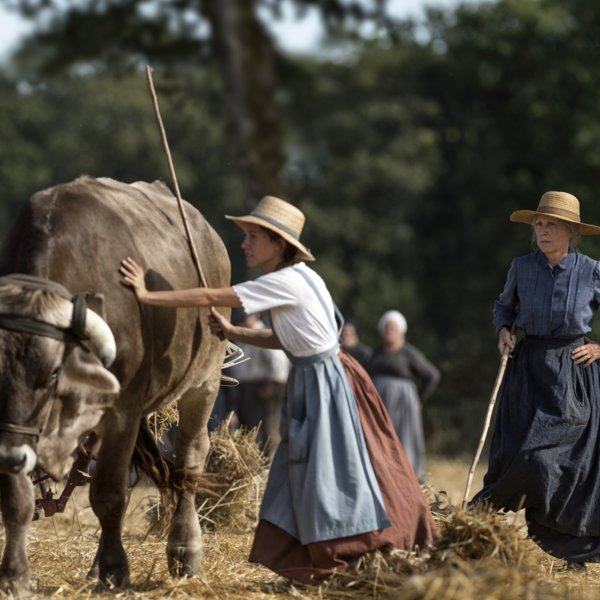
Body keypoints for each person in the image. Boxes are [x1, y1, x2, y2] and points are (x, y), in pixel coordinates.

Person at [120, 195, 435, 583]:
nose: (244, 244)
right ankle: (320, 559)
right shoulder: (304, 277)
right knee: (313, 470)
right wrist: (235, 332)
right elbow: (297, 337)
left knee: (328, 473)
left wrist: (146, 295)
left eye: (253, 236)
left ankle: (344, 557)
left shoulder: (284, 281)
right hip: (325, 374)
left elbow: (208, 296)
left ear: (278, 243)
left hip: (324, 384)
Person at [471, 191, 600, 572]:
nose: (543, 231)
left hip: (572, 373)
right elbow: (504, 305)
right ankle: (478, 532)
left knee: (566, 464)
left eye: (552, 225)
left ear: (571, 231)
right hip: (527, 371)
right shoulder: (522, 266)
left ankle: (574, 555)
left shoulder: (592, 271)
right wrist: (503, 329)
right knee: (518, 455)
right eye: (539, 224)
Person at [366, 309, 440, 482]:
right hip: (380, 402)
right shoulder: (377, 353)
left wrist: (420, 399)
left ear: (401, 330)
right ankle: (382, 475)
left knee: (405, 437)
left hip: (402, 403)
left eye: (393, 327)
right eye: (386, 327)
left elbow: (432, 375)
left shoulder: (408, 353)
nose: (389, 330)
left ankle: (410, 477)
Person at [213, 310, 290, 459]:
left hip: (261, 386)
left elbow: (278, 363)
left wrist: (269, 386)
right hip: (245, 387)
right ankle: (254, 457)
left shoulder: (262, 332)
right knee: (248, 426)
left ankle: (266, 458)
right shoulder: (243, 336)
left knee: (263, 426)